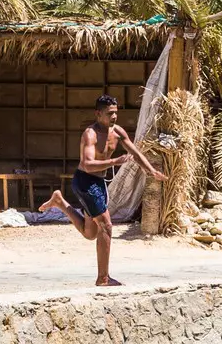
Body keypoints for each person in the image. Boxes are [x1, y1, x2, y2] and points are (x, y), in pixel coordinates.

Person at [37, 94, 165, 287]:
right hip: (85, 182)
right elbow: (87, 164)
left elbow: (135, 153)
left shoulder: (118, 132)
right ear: (98, 114)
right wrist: (115, 161)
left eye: (115, 113)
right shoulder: (90, 134)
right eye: (109, 113)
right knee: (106, 225)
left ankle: (60, 202)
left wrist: (151, 170)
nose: (114, 117)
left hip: (99, 183)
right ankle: (103, 278)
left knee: (90, 234)